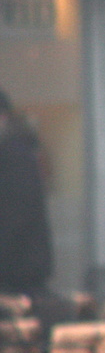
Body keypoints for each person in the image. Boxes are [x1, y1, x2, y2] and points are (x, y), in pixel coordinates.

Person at [0, 89, 52, 296]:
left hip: (17, 273)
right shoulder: (20, 150)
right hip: (21, 269)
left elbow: (18, 216)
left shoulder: (14, 155)